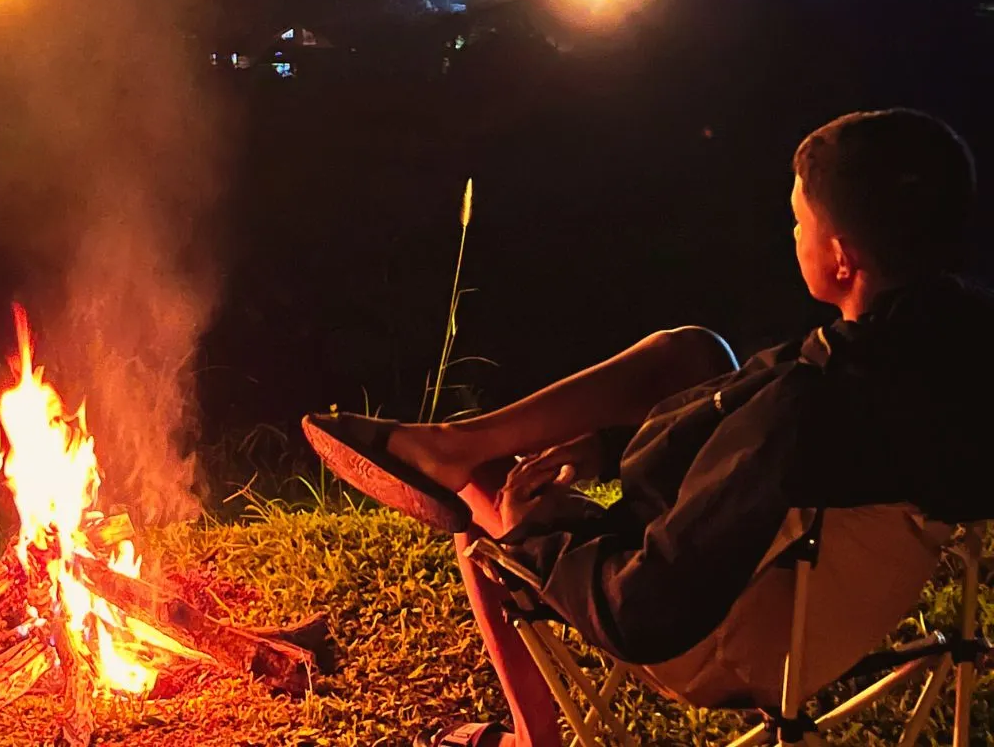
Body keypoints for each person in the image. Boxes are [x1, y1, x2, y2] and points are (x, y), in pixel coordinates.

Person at [304, 109, 994, 747]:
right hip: (811, 588)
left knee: (485, 485)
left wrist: (534, 538)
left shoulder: (809, 405)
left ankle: (530, 726)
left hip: (725, 637)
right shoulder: (937, 350)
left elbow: (643, 610)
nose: (791, 235)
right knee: (692, 354)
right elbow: (751, 418)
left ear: (841, 258)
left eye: (798, 222)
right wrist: (609, 447)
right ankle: (451, 445)